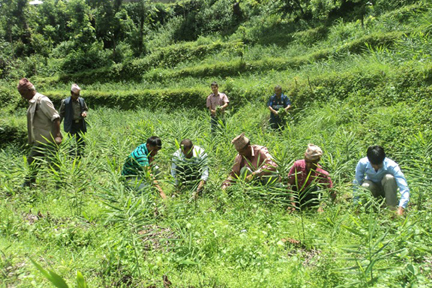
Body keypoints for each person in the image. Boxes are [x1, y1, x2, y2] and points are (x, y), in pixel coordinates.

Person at [17, 78, 62, 187]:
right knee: (32, 160)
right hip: (39, 140)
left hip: (48, 139)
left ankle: (60, 184)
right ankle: (29, 182)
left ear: (29, 90)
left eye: (23, 93)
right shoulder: (33, 102)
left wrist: (57, 136)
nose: (22, 96)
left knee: (52, 163)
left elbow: (55, 118)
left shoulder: (42, 101)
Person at [353, 145, 409, 216]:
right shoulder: (362, 163)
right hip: (372, 189)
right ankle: (369, 211)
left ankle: (392, 210)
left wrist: (402, 207)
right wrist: (356, 204)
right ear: (369, 160)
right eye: (374, 165)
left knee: (389, 178)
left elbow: (404, 187)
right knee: (365, 186)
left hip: (386, 190)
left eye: (379, 165)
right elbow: (357, 183)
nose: (376, 167)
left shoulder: (392, 165)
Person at [287, 144, 334, 213]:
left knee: (315, 188)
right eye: (307, 161)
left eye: (312, 163)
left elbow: (332, 193)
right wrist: (292, 203)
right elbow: (289, 183)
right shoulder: (298, 165)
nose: (309, 165)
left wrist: (323, 206)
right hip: (296, 195)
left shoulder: (322, 174)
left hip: (310, 199)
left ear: (318, 160)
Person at [59, 84, 88, 157]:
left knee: (81, 140)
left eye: (78, 95)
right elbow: (61, 114)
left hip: (80, 124)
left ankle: (80, 155)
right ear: (71, 93)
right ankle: (71, 156)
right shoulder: (65, 102)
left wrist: (84, 112)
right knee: (72, 141)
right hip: (71, 124)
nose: (77, 96)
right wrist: (57, 124)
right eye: (76, 95)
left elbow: (85, 108)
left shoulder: (81, 100)